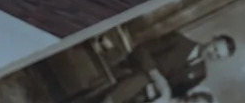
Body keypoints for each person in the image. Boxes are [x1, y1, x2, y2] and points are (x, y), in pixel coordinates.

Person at [100, 33, 235, 103]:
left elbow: (177, 93)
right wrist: (155, 75)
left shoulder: (201, 73)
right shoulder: (179, 40)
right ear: (213, 39)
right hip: (138, 73)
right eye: (215, 48)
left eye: (218, 56)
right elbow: (141, 51)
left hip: (153, 96)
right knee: (141, 79)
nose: (213, 54)